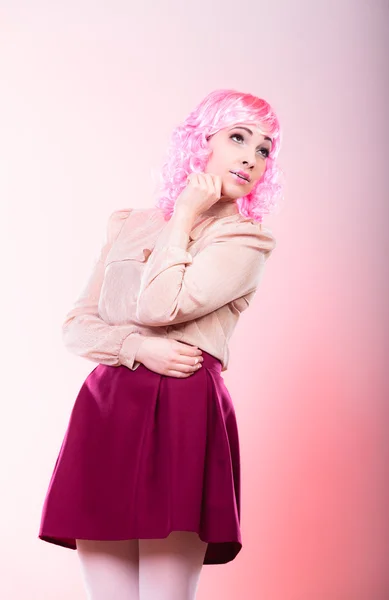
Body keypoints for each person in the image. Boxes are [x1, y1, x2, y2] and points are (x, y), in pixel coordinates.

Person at [38, 88, 282, 600]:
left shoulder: (244, 241)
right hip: (106, 411)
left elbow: (159, 308)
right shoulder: (127, 224)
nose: (251, 157)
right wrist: (136, 348)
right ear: (202, 143)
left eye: (264, 149)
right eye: (238, 137)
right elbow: (76, 326)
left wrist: (187, 218)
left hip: (183, 412)